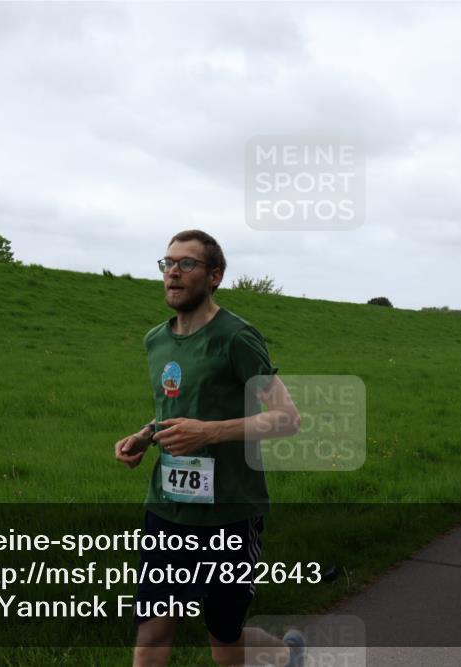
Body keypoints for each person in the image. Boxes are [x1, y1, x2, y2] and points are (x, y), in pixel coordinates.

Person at [114, 229, 306, 667]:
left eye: (187, 264)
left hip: (229, 514)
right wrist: (145, 435)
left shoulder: (236, 337)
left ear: (215, 275)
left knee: (224, 642)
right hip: (167, 511)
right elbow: (178, 411)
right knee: (152, 634)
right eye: (167, 263)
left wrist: (208, 434)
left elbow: (287, 418)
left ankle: (285, 653)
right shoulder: (155, 340)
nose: (173, 273)